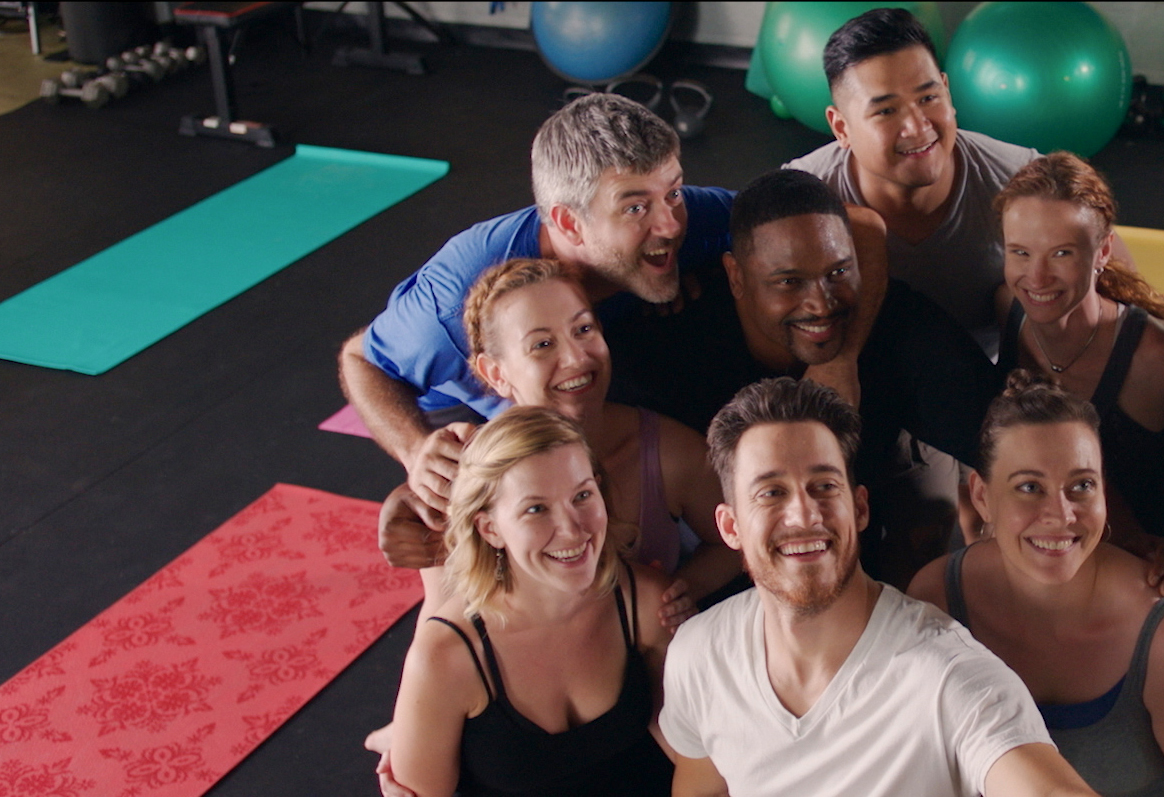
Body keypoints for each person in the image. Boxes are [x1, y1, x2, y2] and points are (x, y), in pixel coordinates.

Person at [661, 377, 1097, 797]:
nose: (804, 515)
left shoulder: (949, 676)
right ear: (731, 527)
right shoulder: (699, 655)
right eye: (771, 493)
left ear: (860, 509)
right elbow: (702, 787)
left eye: (824, 486)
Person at [338, 93, 734, 527]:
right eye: (635, 208)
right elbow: (361, 359)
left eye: (673, 192)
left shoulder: (691, 220)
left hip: (589, 376)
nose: (670, 225)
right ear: (568, 223)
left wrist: (707, 270)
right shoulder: (454, 303)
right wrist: (415, 450)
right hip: (467, 410)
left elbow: (780, 210)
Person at [628, 168, 1000, 588]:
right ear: (736, 277)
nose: (821, 305)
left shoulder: (898, 326)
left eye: (838, 273)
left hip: (862, 566)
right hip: (730, 581)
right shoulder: (673, 348)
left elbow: (1007, 442)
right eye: (789, 282)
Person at [908, 371, 1164, 797]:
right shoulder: (937, 598)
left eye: (1081, 485)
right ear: (981, 497)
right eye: (1029, 487)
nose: (1061, 515)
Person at [377, 258, 739, 624]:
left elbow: (738, 538)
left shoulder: (668, 453)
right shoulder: (464, 476)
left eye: (583, 329)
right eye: (542, 344)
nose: (575, 358)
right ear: (496, 373)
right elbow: (440, 624)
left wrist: (681, 590)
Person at [383, 406, 675, 797]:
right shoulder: (447, 655)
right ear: (490, 529)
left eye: (582, 496)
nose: (572, 530)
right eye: (536, 509)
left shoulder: (646, 603)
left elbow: (696, 759)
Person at [992, 152, 1164, 591]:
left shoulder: (1160, 355)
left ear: (1103, 251)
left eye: (1061, 253)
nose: (1037, 276)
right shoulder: (1007, 309)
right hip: (1056, 552)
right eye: (1020, 253)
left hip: (1160, 566)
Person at [784, 6, 1040, 356]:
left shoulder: (1024, 181)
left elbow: (1108, 284)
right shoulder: (799, 197)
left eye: (928, 98)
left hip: (992, 371)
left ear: (947, 92)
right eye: (886, 110)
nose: (918, 127)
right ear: (842, 128)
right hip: (859, 363)